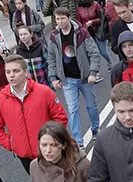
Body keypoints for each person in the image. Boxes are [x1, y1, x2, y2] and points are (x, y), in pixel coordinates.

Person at [0, 55, 68, 173]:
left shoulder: (43, 92)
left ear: (25, 72)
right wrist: (12, 144)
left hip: (50, 151)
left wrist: (53, 140)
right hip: (25, 157)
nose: (11, 75)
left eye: (16, 71)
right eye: (8, 72)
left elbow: (60, 117)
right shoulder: (0, 99)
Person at [45, 8, 106, 144]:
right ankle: (78, 140)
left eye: (62, 18)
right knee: (72, 110)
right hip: (67, 79)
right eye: (57, 19)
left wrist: (92, 73)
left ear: (68, 18)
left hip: (84, 77)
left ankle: (96, 129)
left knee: (91, 105)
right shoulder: (54, 37)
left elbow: (94, 53)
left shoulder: (81, 33)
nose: (60, 22)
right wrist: (53, 78)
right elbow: (51, 58)